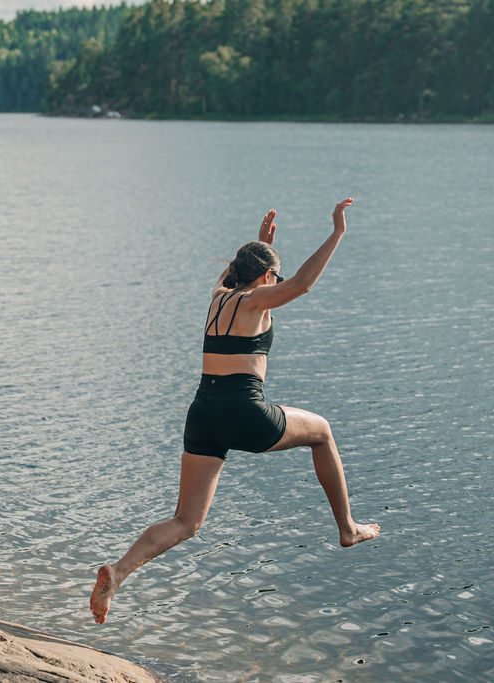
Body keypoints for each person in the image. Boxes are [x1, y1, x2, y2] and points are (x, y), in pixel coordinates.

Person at [90, 198, 380, 625]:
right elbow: (301, 284)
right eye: (270, 277)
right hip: (243, 411)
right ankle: (348, 528)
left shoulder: (218, 296)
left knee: (186, 521)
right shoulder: (254, 302)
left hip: (202, 412)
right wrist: (337, 233)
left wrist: (260, 245)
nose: (273, 283)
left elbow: (238, 273)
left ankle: (118, 572)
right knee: (322, 431)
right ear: (264, 278)